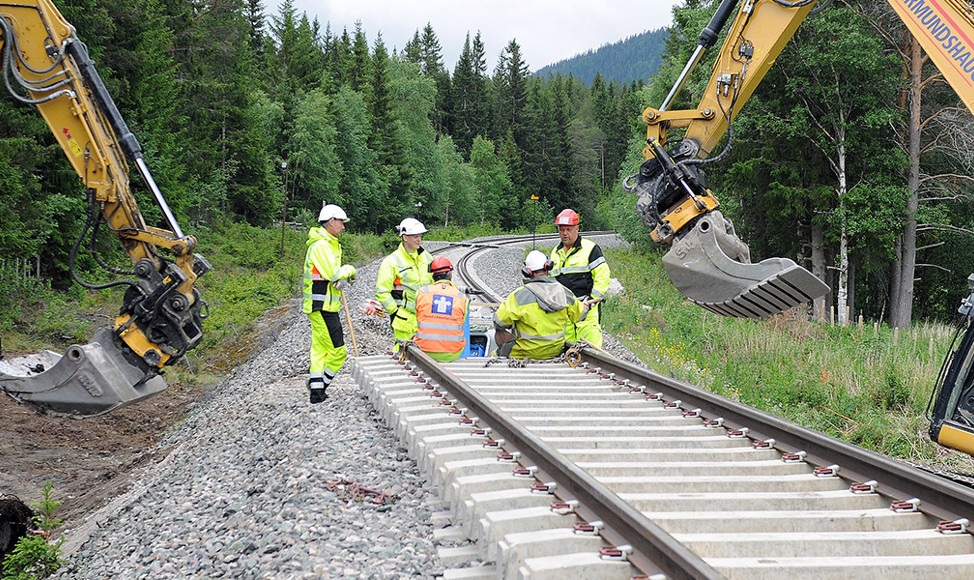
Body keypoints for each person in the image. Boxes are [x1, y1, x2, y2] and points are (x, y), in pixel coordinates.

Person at [303, 203, 356, 404]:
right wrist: (350, 270)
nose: (343, 226)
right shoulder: (321, 245)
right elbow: (333, 274)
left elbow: (330, 275)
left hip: (324, 307)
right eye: (341, 222)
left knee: (319, 349)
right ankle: (320, 386)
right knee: (338, 351)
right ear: (331, 221)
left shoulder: (327, 244)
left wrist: (341, 277)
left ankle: (316, 391)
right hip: (322, 307)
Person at [494, 250, 587, 360]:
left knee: (498, 333)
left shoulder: (518, 295)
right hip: (555, 350)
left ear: (527, 272)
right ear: (548, 267)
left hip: (524, 353)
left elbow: (499, 322)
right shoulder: (564, 292)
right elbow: (580, 315)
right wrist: (585, 305)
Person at [549, 208, 611, 348]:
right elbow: (551, 281)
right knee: (566, 348)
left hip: (586, 309)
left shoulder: (590, 249)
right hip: (564, 310)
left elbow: (602, 275)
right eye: (561, 229)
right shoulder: (555, 252)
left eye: (568, 229)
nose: (565, 233)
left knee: (591, 348)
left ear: (577, 228)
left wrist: (591, 300)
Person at [375, 217, 433, 350]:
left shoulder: (428, 258)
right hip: (404, 320)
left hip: (426, 317)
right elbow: (382, 291)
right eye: (415, 237)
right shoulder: (392, 261)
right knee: (403, 354)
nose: (419, 239)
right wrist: (395, 311)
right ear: (405, 237)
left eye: (420, 236)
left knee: (426, 356)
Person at [413, 257, 469, 362]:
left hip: (423, 350)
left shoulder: (421, 293)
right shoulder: (462, 297)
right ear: (450, 275)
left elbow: (418, 318)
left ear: (433, 276)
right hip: (452, 353)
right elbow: (461, 322)